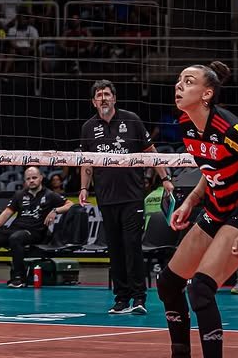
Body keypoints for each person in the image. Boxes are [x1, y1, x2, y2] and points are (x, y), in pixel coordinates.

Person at [157, 62, 238, 358]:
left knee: (200, 289)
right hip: (217, 206)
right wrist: (191, 201)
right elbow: (212, 168)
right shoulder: (186, 124)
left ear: (206, 94)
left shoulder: (232, 128)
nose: (178, 86)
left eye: (188, 81)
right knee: (168, 284)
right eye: (178, 80)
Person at [78, 79, 173, 315]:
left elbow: (151, 153)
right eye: (99, 95)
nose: (103, 98)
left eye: (107, 94)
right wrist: (83, 189)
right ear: (93, 101)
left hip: (132, 196)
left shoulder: (131, 120)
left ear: (114, 98)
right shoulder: (88, 127)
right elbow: (86, 163)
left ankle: (139, 298)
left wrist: (165, 178)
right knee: (116, 250)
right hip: (105, 198)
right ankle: (121, 299)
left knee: (132, 247)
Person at [0, 166, 71, 288]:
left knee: (16, 238)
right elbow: (7, 213)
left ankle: (19, 277)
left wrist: (55, 210)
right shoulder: (19, 195)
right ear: (25, 180)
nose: (31, 181)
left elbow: (70, 205)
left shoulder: (50, 195)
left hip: (35, 232)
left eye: (34, 178)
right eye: (28, 178)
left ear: (41, 178)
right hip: (16, 229)